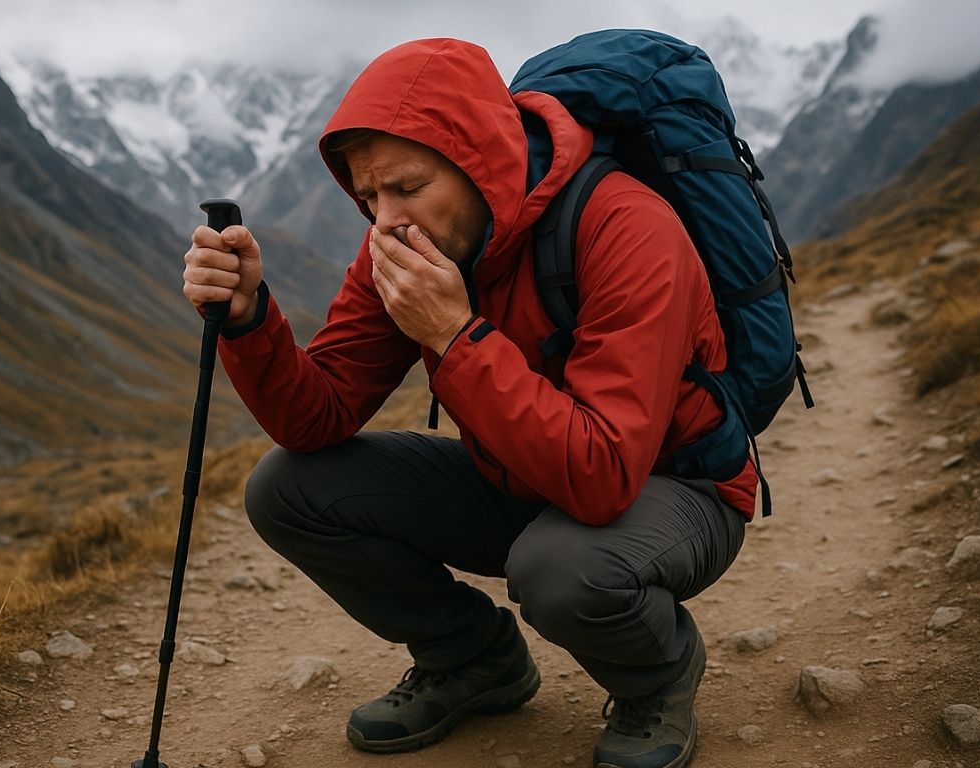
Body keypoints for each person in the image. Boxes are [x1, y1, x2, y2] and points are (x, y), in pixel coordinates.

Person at [182, 37, 756, 768]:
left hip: (673, 488)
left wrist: (454, 338)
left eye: (407, 186)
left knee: (560, 570)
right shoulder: (407, 239)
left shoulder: (626, 226)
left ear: (482, 159)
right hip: (525, 475)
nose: (385, 220)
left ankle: (658, 676)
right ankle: (474, 659)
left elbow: (605, 474)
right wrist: (247, 318)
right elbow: (313, 418)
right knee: (288, 488)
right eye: (368, 197)